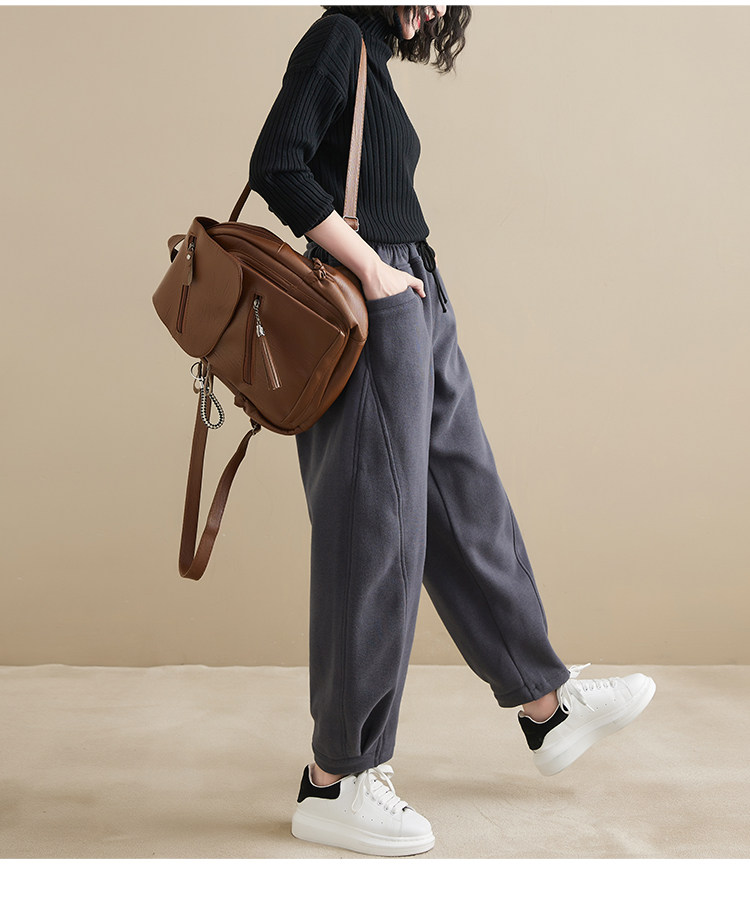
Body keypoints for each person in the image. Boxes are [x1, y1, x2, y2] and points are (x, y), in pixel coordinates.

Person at [248, 5, 655, 858]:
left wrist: (403, 280)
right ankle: (337, 776)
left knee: (468, 501)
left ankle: (546, 706)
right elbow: (277, 163)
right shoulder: (338, 38)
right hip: (369, 303)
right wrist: (372, 270)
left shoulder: (373, 60)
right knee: (376, 535)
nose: (435, 7)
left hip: (414, 293)